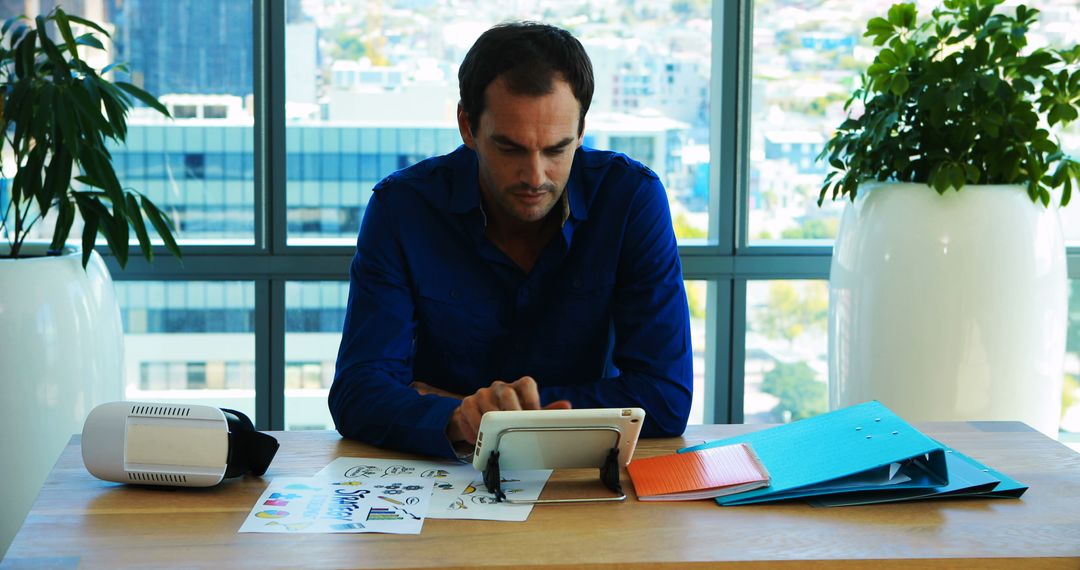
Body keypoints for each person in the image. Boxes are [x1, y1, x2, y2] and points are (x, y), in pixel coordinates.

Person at [329, 21, 692, 460]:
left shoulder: (630, 198)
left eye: (557, 149)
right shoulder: (403, 207)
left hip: (579, 480)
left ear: (581, 131)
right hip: (444, 484)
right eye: (511, 148)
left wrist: (471, 412)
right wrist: (468, 416)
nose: (535, 177)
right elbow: (357, 392)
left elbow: (665, 399)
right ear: (468, 127)